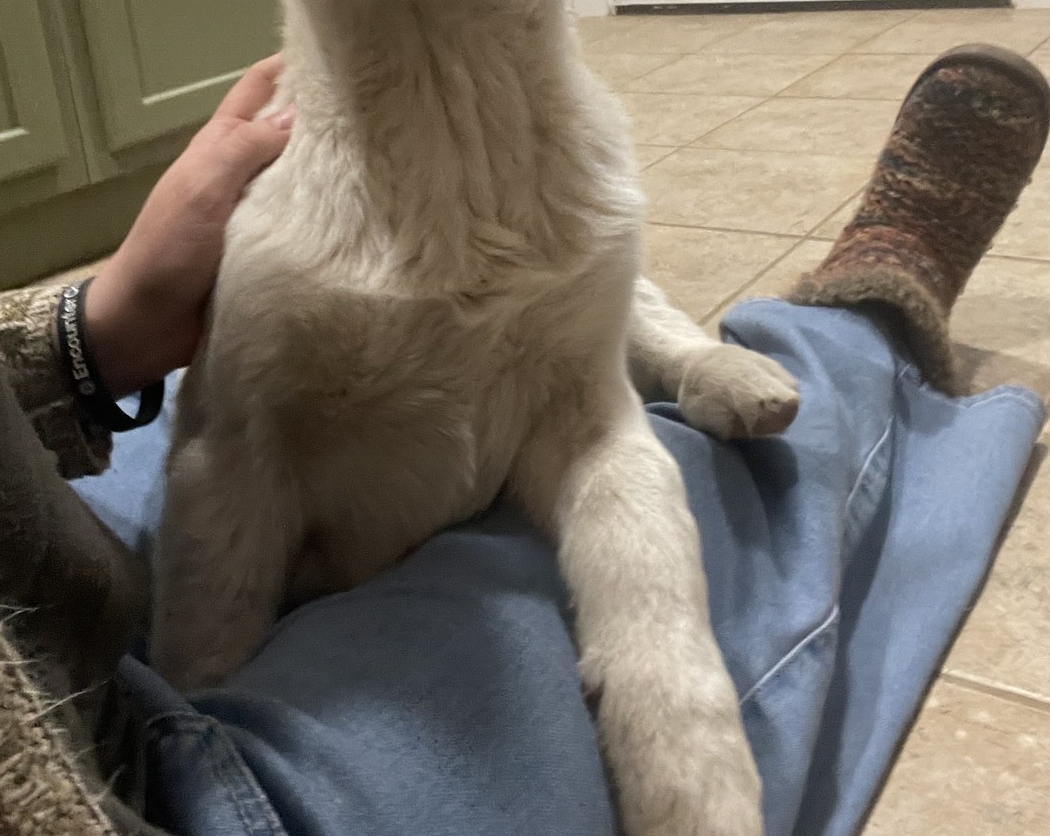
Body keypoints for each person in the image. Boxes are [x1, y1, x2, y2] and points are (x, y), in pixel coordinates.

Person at [1, 44, 1047, 836]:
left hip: (41, 578)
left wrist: (90, 337)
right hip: (121, 781)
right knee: (706, 489)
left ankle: (690, 341)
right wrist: (195, 731)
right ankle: (866, 314)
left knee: (506, 328)